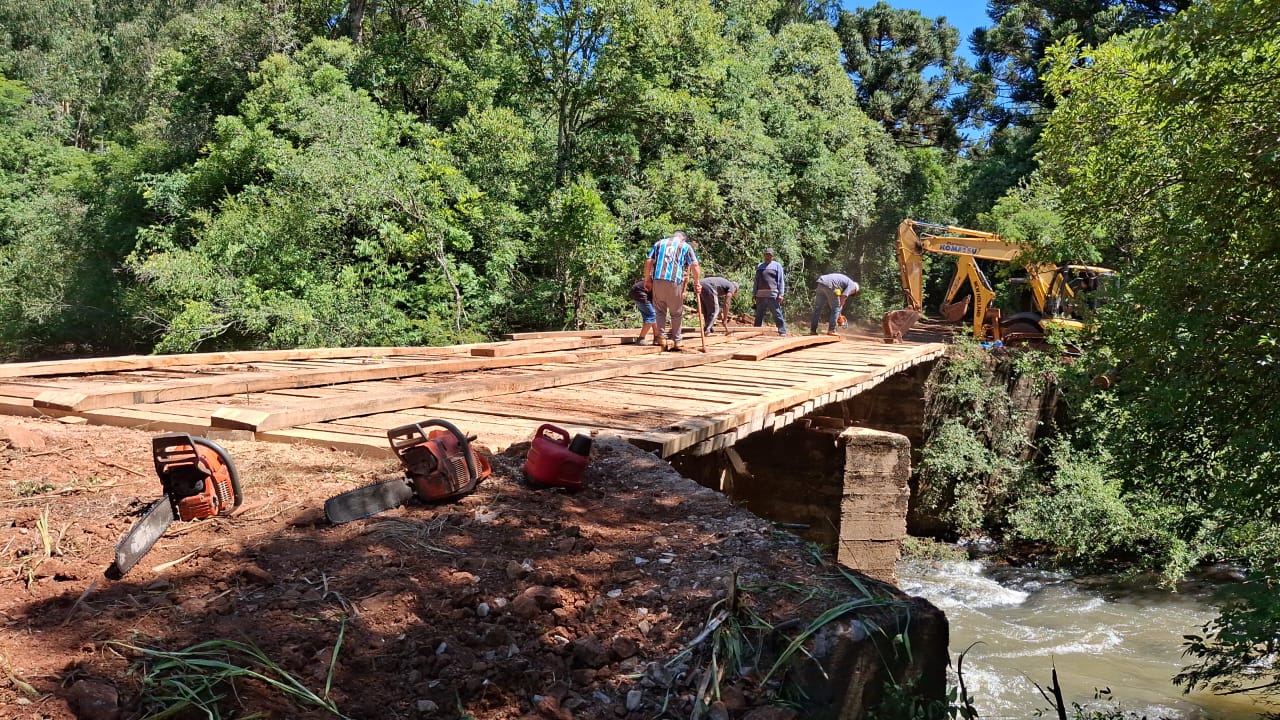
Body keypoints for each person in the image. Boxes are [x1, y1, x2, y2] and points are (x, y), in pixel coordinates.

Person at [643, 231, 701, 351]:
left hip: (658, 280)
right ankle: (677, 341)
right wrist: (697, 283)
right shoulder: (685, 246)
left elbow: (649, 260)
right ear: (683, 239)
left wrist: (647, 279)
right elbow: (694, 265)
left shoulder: (659, 243)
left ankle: (662, 338)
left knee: (660, 311)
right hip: (674, 282)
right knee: (676, 313)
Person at [751, 247, 786, 336]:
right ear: (764, 255)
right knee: (759, 314)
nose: (768, 257)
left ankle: (782, 331)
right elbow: (756, 281)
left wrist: (781, 294)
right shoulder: (760, 266)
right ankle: (756, 331)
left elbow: (781, 280)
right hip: (760, 295)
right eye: (766, 255)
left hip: (773, 295)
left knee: (777, 313)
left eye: (769, 255)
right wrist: (754, 294)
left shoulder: (777, 266)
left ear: (773, 256)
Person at [629, 279, 657, 345]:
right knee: (652, 315)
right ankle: (641, 338)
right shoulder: (666, 282)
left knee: (654, 315)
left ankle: (657, 337)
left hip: (639, 292)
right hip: (639, 292)